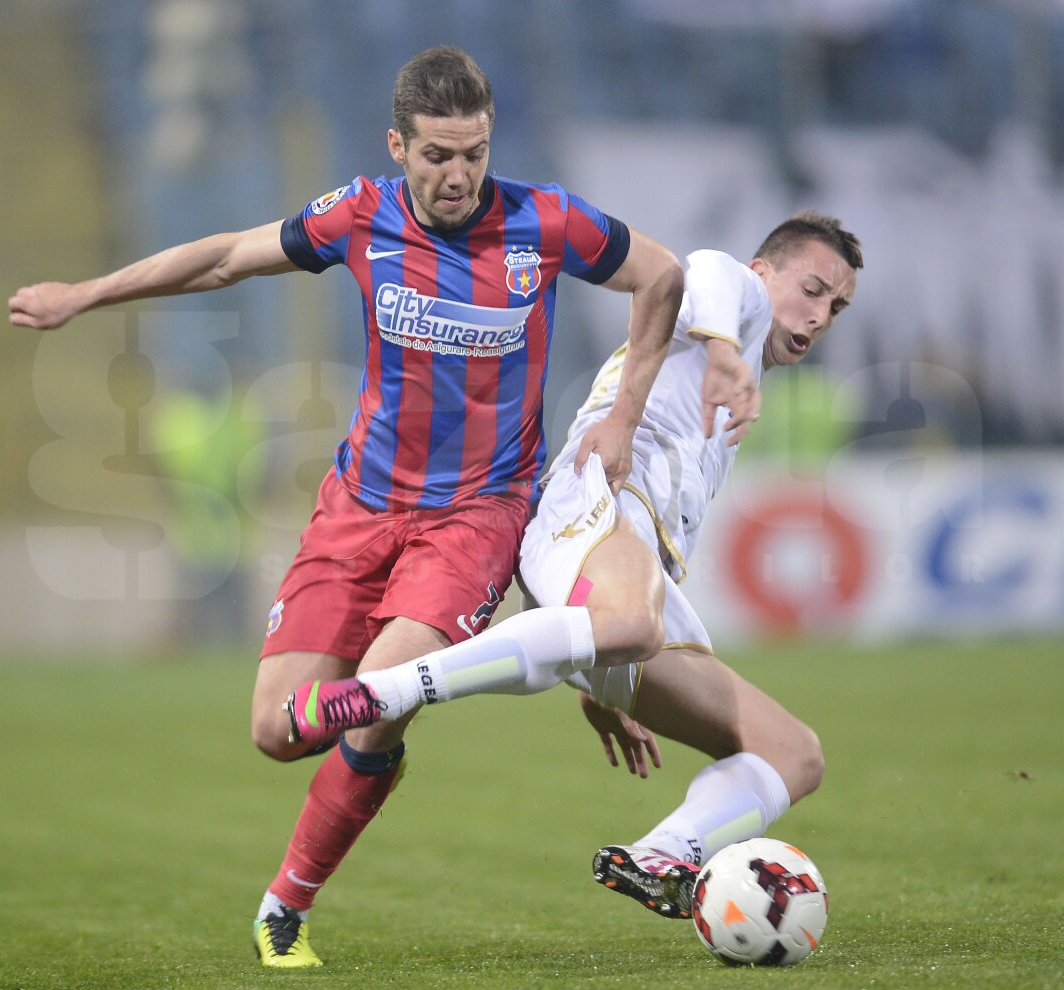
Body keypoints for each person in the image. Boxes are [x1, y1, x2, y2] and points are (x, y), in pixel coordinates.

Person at [8, 46, 712, 968]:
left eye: (474, 153)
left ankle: (283, 910)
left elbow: (662, 276)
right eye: (437, 156)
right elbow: (226, 257)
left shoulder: (546, 222)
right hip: (357, 509)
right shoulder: (359, 214)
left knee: (377, 705)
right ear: (398, 146)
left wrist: (622, 417)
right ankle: (369, 773)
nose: (459, 175)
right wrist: (85, 295)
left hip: (473, 520)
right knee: (276, 730)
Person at [285, 211, 862, 920]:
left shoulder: (736, 380)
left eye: (836, 305)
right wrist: (721, 352)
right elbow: (704, 266)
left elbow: (641, 562)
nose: (821, 314)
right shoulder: (732, 305)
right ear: (765, 271)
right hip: (588, 501)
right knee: (630, 620)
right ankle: (385, 692)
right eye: (812, 289)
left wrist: (598, 677)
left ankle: (666, 853)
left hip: (616, 571)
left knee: (794, 753)